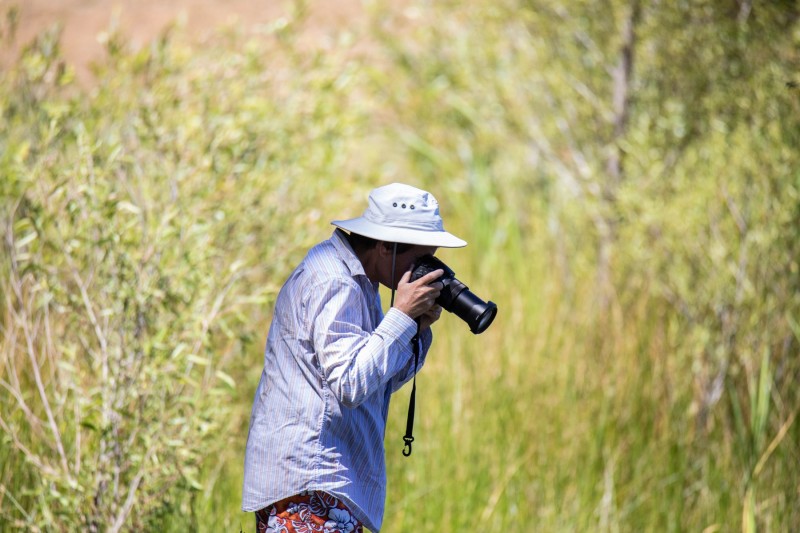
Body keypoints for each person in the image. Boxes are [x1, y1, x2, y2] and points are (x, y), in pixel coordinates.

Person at [242, 183, 467, 532]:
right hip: (312, 486)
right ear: (384, 246)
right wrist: (401, 318)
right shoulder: (335, 283)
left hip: (320, 486)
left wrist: (415, 329)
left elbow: (374, 382)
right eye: (420, 260)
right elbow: (350, 384)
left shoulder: (360, 282)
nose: (427, 272)